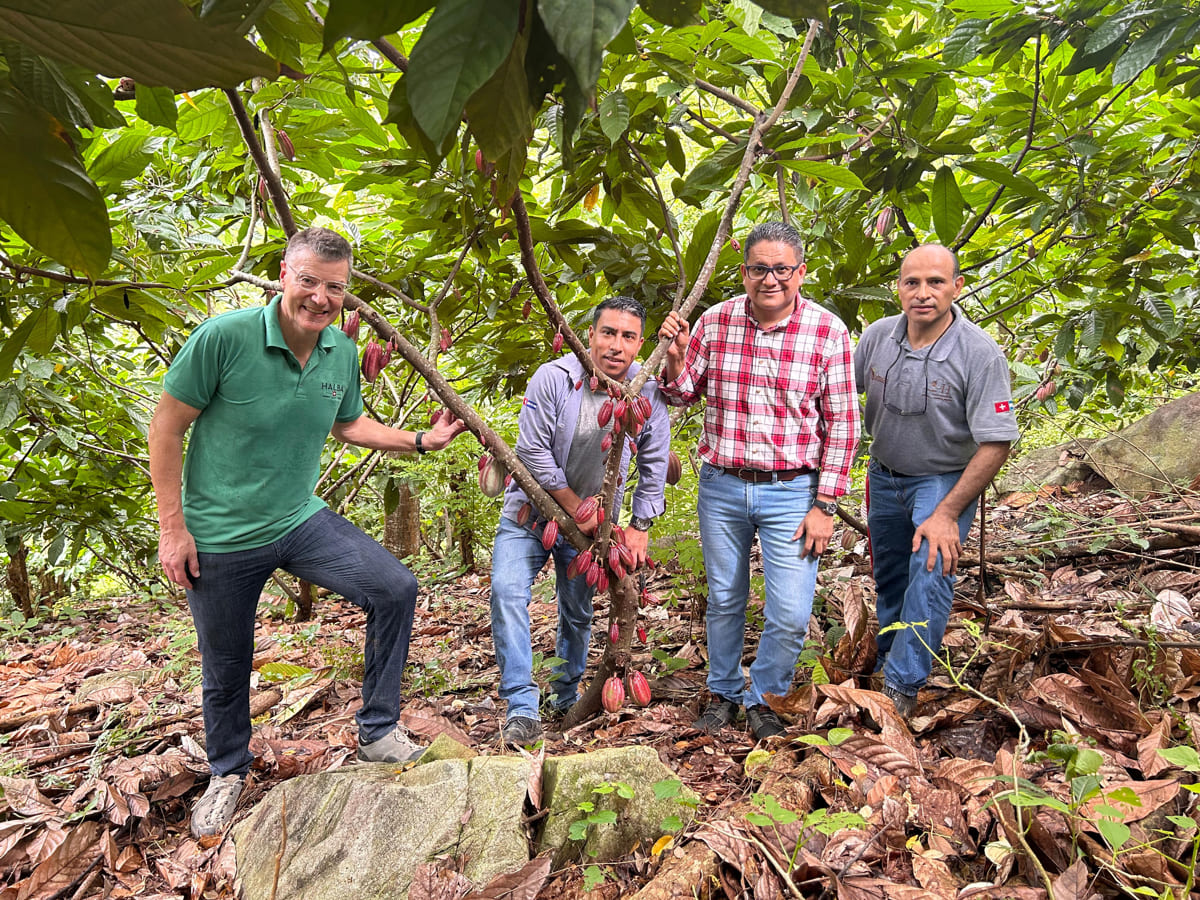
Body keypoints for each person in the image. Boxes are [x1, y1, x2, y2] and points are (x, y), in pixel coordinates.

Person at [148, 227, 466, 838]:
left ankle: (377, 731)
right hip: (219, 534)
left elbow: (348, 424)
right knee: (226, 660)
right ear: (284, 276)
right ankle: (227, 772)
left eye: (336, 288)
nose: (321, 298)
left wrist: (422, 440)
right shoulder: (225, 338)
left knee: (394, 587)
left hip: (297, 518)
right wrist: (173, 529)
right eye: (309, 281)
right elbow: (166, 428)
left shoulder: (339, 352)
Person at [659, 222, 860, 741]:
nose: (769, 279)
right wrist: (677, 356)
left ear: (800, 272)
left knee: (791, 611)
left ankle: (764, 694)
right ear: (744, 271)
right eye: (758, 269)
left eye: (781, 269)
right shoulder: (717, 320)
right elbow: (683, 394)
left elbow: (843, 424)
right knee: (725, 597)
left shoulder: (827, 331)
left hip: (792, 489)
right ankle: (724, 692)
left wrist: (826, 504)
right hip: (723, 483)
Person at [491, 296, 670, 748]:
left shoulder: (646, 393)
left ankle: (564, 694)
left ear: (640, 344)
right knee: (507, 592)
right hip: (530, 512)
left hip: (595, 525)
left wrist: (640, 525)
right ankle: (521, 706)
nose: (616, 345)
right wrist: (577, 511)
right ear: (587, 335)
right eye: (607, 333)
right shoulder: (554, 379)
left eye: (628, 336)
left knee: (577, 610)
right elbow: (531, 452)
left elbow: (654, 463)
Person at [854, 243, 1018, 719]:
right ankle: (888, 657)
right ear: (898, 288)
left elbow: (997, 441)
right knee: (889, 576)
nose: (923, 293)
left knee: (930, 572)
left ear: (956, 287)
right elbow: (840, 393)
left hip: (943, 481)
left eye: (936, 282)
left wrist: (948, 511)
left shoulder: (980, 353)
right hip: (885, 475)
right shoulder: (879, 338)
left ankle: (902, 689)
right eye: (912, 282)